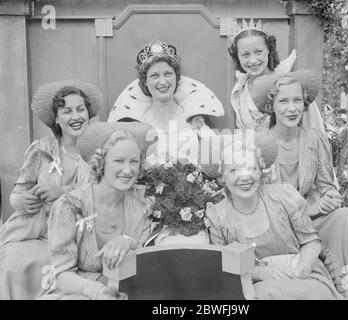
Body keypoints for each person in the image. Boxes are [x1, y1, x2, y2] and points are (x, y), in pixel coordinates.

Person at [251, 70, 348, 299]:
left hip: (311, 222)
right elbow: (256, 198)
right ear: (271, 105)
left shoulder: (315, 139)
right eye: (283, 101)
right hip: (275, 229)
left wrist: (329, 198)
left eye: (297, 100)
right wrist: (312, 209)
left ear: (304, 103)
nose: (292, 108)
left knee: (347, 216)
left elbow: (327, 185)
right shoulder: (259, 141)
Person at [204, 134, 342, 299]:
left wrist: (302, 269)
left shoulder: (284, 196)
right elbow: (223, 265)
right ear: (222, 176)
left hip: (301, 274)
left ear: (261, 171)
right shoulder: (217, 215)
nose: (245, 177)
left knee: (316, 293)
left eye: (251, 168)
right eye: (234, 170)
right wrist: (260, 273)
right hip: (256, 285)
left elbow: (310, 241)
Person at [0, 80, 101, 300]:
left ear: (88, 113)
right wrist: (23, 200)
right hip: (39, 232)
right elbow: (16, 195)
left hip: (80, 237)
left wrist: (62, 191)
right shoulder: (41, 149)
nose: (75, 117)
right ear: (56, 118)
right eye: (67, 111)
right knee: (13, 261)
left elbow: (102, 195)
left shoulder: (99, 151)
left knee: (60, 266)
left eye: (80, 109)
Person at [39, 122, 156, 300]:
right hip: (79, 291)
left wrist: (129, 242)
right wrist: (98, 291)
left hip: (131, 290)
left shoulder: (145, 203)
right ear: (102, 162)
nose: (127, 170)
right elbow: (61, 274)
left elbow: (152, 263)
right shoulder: (69, 205)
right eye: (118, 161)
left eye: (134, 161)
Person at [107, 40, 224, 164]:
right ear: (145, 81)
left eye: (168, 74)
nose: (162, 82)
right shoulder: (139, 123)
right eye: (154, 76)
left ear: (176, 77)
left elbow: (218, 157)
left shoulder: (194, 119)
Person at [228, 19, 325, 133]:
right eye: (245, 54)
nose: (253, 60)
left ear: (268, 49)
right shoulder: (239, 91)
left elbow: (314, 130)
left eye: (258, 51)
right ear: (237, 57)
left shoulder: (291, 84)